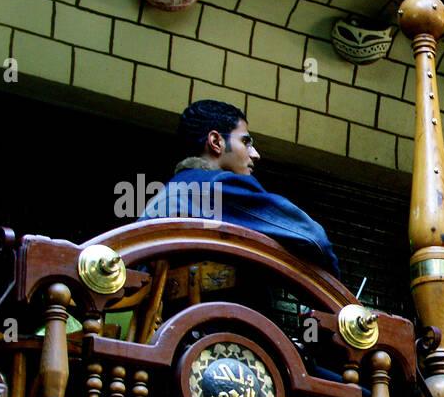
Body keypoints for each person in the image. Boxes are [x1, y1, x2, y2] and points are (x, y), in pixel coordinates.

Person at [144, 100, 340, 277]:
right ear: (216, 142)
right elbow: (314, 239)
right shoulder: (220, 186)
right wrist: (337, 301)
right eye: (245, 142)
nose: (255, 154)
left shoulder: (168, 193)